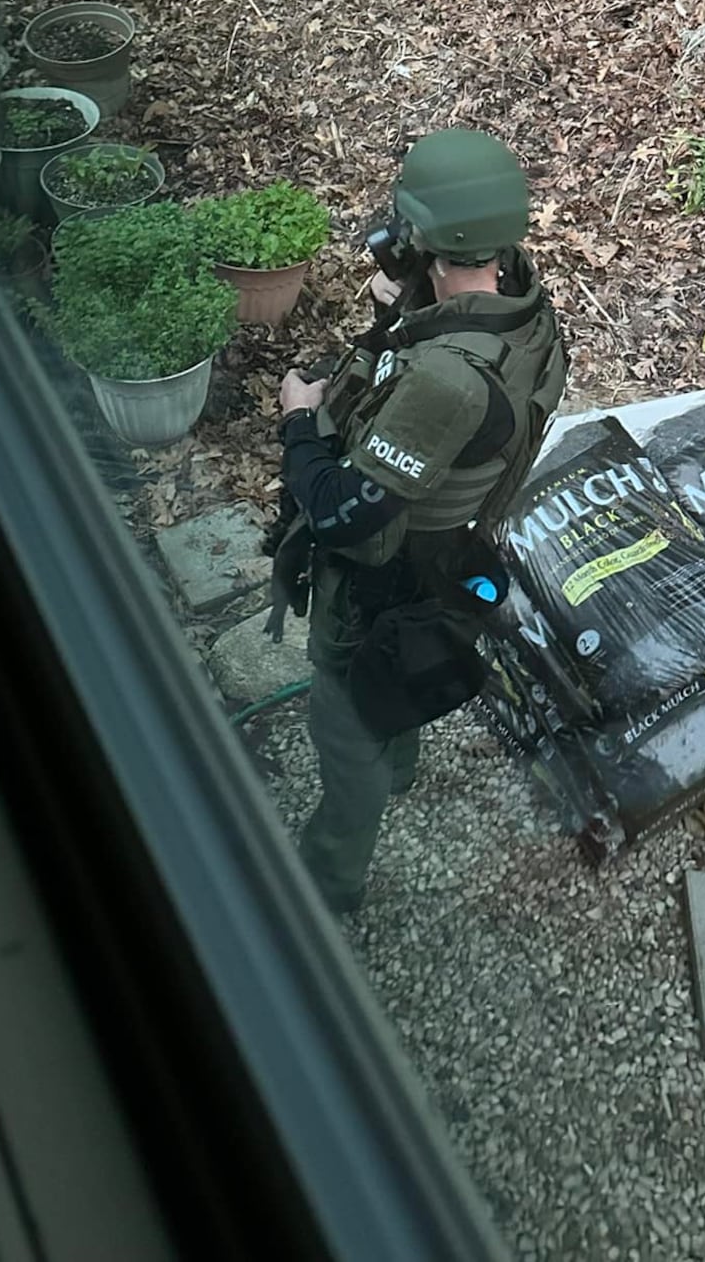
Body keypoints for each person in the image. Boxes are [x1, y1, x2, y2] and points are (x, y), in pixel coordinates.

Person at [273, 128, 567, 916]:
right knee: (393, 688)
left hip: (380, 581)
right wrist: (402, 319)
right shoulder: (527, 312)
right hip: (450, 559)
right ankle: (397, 760)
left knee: (346, 729)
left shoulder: (447, 381)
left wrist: (299, 422)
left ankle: (327, 879)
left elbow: (340, 512)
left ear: (433, 244)